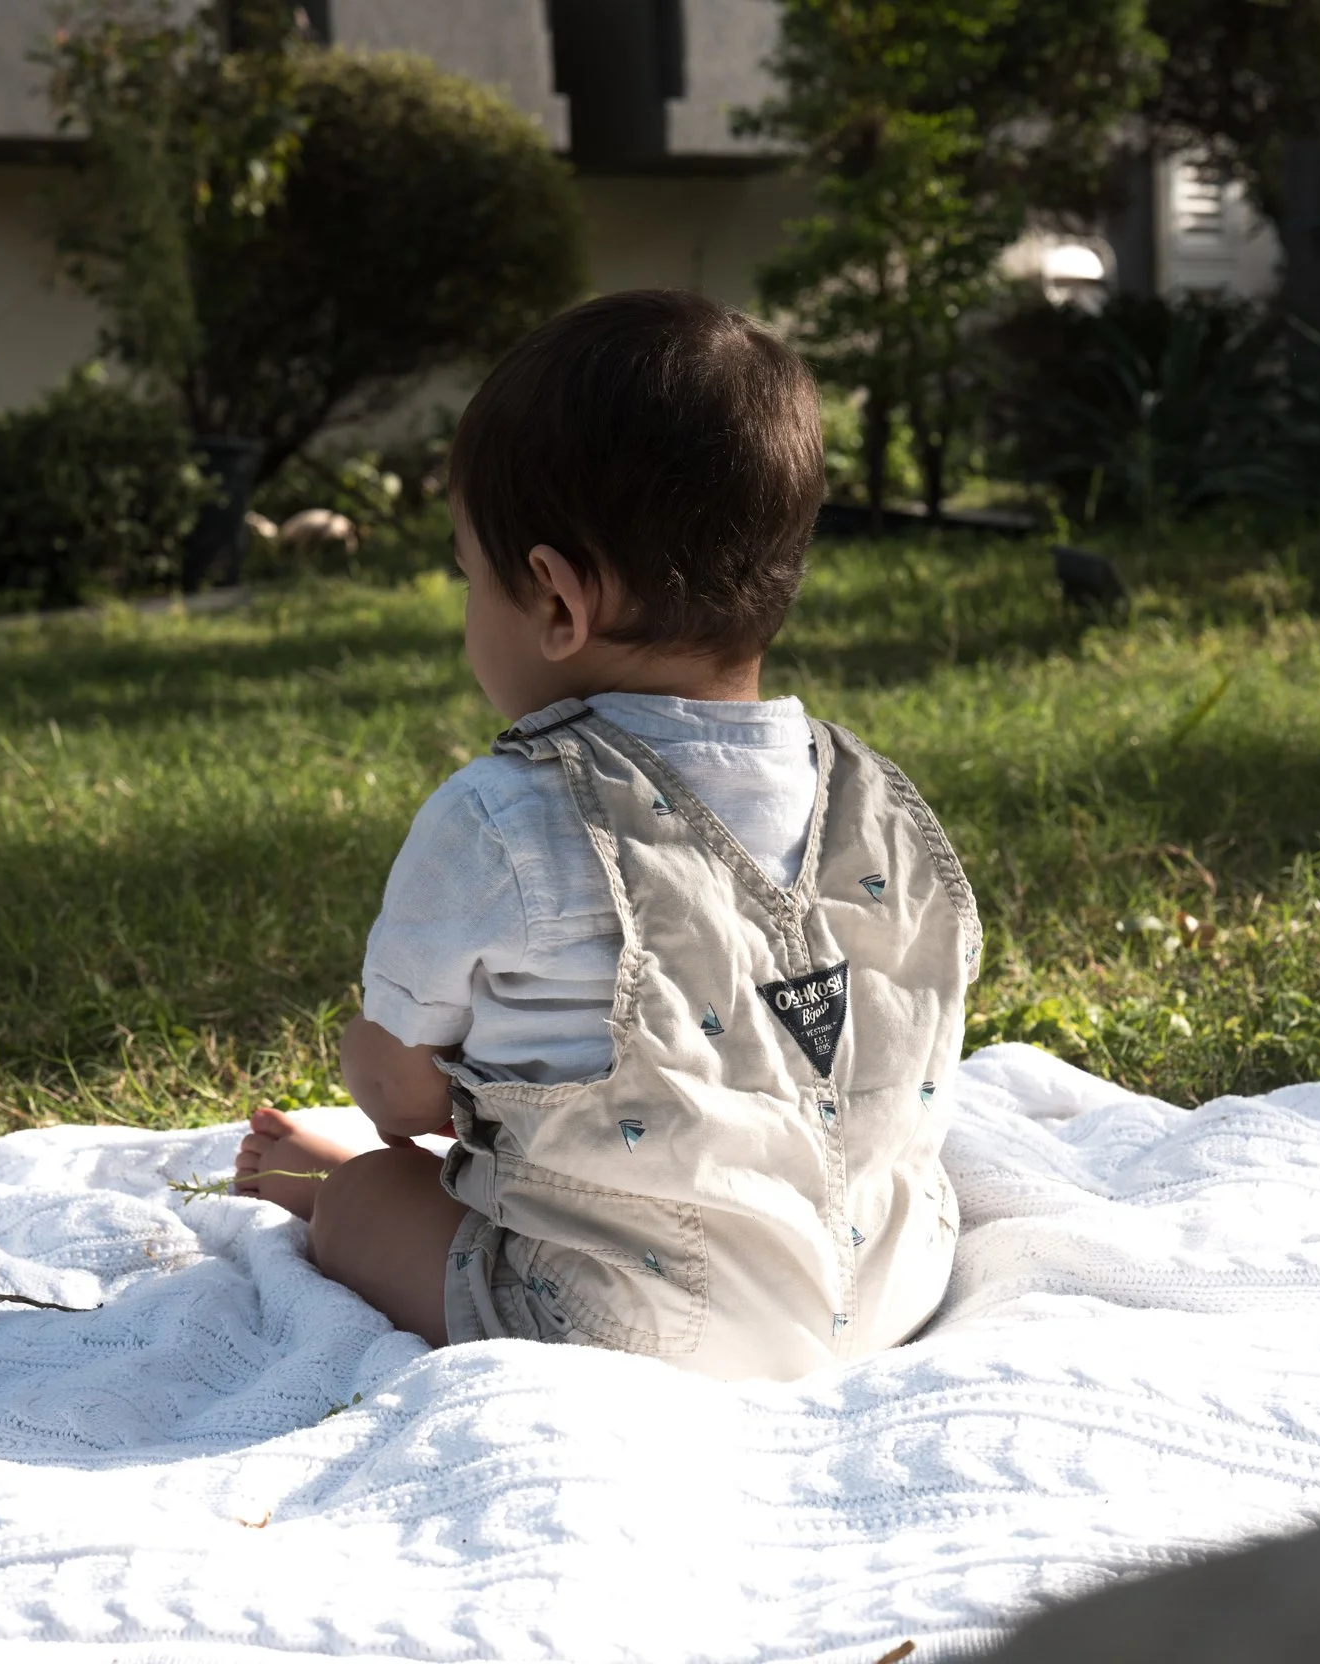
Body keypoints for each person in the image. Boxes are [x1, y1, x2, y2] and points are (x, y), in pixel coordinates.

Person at [233, 290, 981, 1381]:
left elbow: (402, 1099)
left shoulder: (500, 815)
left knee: (366, 1194)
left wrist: (376, 1065)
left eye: (467, 576)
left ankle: (309, 1179)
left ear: (553, 604)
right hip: (888, 1282)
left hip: (627, 1330)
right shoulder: (883, 801)